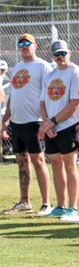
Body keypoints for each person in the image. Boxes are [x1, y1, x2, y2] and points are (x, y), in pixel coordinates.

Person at [1, 33, 52, 216]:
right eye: (21, 44)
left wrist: (46, 121)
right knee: (22, 162)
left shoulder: (42, 66)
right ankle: (25, 202)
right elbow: (12, 96)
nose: (24, 47)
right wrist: (5, 121)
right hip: (17, 122)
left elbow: (48, 94)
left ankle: (46, 203)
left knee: (38, 161)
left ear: (35, 46)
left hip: (34, 121)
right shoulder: (17, 68)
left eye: (27, 44)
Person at [39, 40, 79, 218]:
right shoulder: (50, 75)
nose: (60, 57)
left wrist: (52, 122)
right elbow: (42, 102)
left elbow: (75, 103)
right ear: (52, 55)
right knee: (55, 164)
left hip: (69, 125)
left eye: (63, 53)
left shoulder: (76, 73)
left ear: (69, 53)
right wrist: (46, 123)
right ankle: (61, 205)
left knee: (69, 164)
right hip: (51, 126)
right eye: (57, 54)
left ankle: (73, 207)